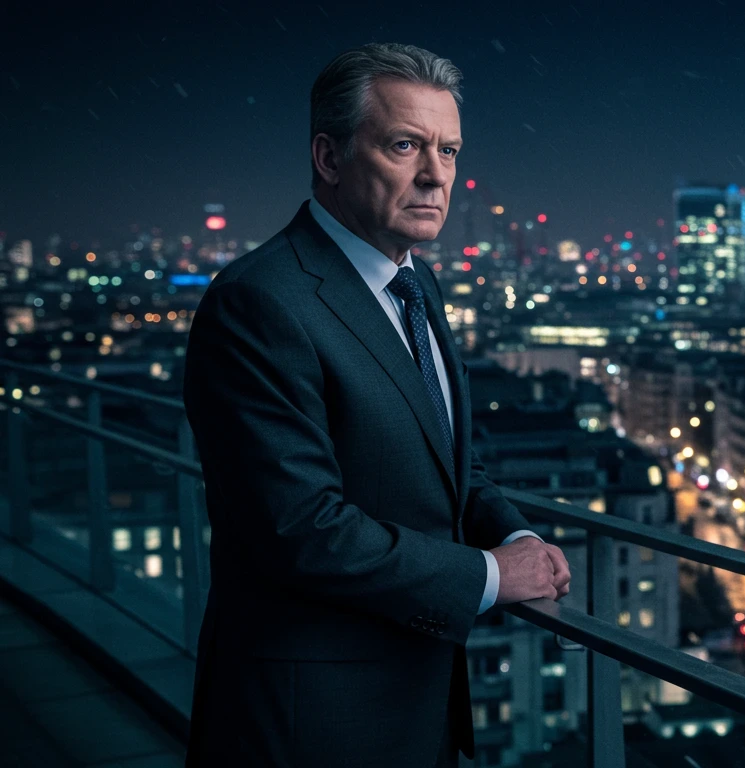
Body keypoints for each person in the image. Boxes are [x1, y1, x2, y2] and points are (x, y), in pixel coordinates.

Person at [181, 42, 571, 767]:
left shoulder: (416, 287)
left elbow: (446, 458)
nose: (436, 176)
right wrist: (490, 577)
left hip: (416, 702)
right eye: (405, 146)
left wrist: (515, 537)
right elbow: (300, 530)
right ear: (329, 159)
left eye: (449, 152)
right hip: (312, 720)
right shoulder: (259, 303)